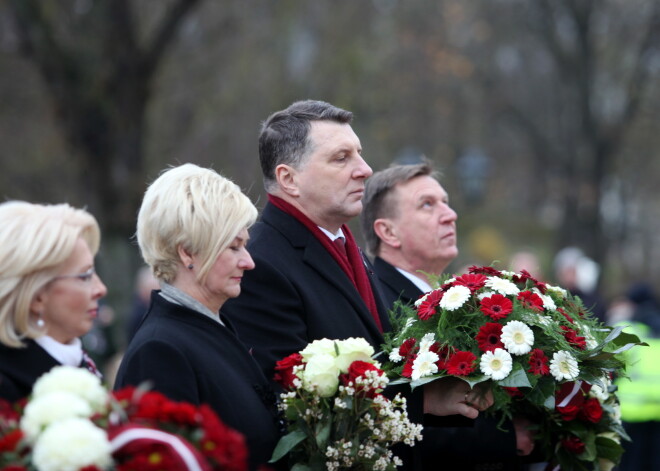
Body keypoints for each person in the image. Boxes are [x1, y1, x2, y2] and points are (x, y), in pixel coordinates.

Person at [222, 100, 492, 464]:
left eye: (360, 155)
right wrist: (423, 400)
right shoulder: (261, 263)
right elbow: (290, 406)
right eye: (341, 158)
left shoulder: (344, 247)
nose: (364, 170)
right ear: (289, 179)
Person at [361, 162, 536, 470]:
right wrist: (507, 439)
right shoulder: (375, 303)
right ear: (388, 231)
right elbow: (389, 422)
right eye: (427, 205)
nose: (450, 214)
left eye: (445, 202)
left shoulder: (455, 298)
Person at [113, 164, 282, 471]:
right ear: (187, 253)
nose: (249, 261)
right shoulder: (160, 352)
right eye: (234, 246)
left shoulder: (208, 326)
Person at [0, 201, 107, 402]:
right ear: (36, 296)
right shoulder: (7, 389)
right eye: (85, 276)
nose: (101, 289)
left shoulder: (77, 362)